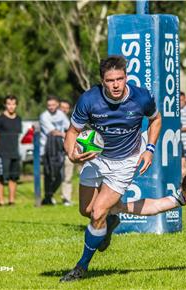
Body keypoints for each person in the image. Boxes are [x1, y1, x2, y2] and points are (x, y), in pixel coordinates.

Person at [59, 55, 162, 282]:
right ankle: (111, 220)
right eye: (110, 80)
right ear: (102, 81)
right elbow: (72, 132)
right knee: (86, 211)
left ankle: (81, 267)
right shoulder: (89, 100)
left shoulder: (141, 97)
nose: (116, 85)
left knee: (97, 213)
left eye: (120, 79)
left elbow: (156, 119)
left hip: (125, 161)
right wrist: (72, 154)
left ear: (126, 77)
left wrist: (150, 149)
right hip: (96, 157)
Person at [0, 95, 22, 206]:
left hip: (15, 153)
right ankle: (0, 201)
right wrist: (2, 147)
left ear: (16, 105)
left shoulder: (18, 119)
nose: (11, 106)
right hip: (2, 153)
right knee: (1, 177)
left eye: (13, 104)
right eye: (9, 104)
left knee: (13, 177)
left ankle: (11, 200)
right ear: (5, 105)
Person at [39, 95, 70, 205]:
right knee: (48, 174)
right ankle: (47, 197)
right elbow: (53, 132)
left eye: (53, 105)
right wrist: (65, 134)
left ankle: (48, 195)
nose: (51, 107)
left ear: (57, 104)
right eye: (49, 105)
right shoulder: (44, 116)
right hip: (46, 149)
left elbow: (69, 127)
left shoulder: (61, 115)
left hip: (59, 149)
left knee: (59, 175)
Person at [59, 100, 75, 206]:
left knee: (67, 176)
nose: (64, 109)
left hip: (67, 153)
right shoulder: (53, 120)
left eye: (66, 107)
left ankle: (66, 198)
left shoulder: (72, 122)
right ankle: (50, 197)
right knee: (55, 176)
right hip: (55, 152)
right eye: (62, 107)